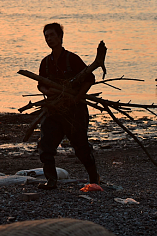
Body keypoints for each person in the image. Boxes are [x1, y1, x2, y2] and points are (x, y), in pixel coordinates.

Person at [36, 22, 100, 190]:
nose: (49, 39)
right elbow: (40, 84)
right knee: (46, 146)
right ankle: (51, 181)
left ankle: (94, 179)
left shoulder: (72, 59)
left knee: (81, 148)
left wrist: (77, 97)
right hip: (54, 110)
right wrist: (48, 92)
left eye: (52, 35)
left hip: (74, 110)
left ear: (60, 37)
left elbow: (89, 78)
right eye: (46, 36)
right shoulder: (46, 62)